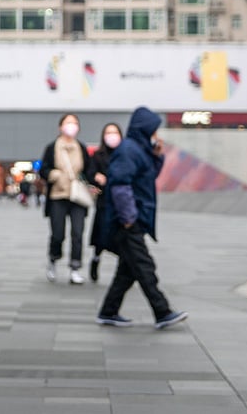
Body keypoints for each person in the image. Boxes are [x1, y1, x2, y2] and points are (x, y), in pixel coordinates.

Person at [96, 107, 188, 330]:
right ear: (144, 129)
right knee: (145, 266)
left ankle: (108, 311)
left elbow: (146, 178)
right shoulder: (129, 150)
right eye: (153, 130)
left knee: (127, 271)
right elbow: (119, 185)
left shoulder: (139, 150)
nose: (156, 135)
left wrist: (157, 157)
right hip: (127, 222)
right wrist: (128, 218)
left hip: (134, 218)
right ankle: (162, 311)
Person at [38, 114, 90, 285]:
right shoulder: (52, 147)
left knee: (77, 232)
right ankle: (53, 259)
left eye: (74, 123)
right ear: (60, 126)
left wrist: (92, 181)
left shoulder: (81, 147)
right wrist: (54, 175)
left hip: (77, 197)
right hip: (57, 196)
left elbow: (89, 170)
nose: (71, 126)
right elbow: (43, 169)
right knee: (58, 233)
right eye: (68, 123)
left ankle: (75, 267)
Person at [84, 122, 122, 283]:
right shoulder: (98, 155)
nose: (111, 136)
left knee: (122, 237)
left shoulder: (125, 154)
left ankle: (124, 267)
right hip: (104, 201)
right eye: (108, 133)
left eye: (114, 132)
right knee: (101, 235)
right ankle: (96, 259)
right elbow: (90, 173)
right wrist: (97, 178)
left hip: (121, 202)